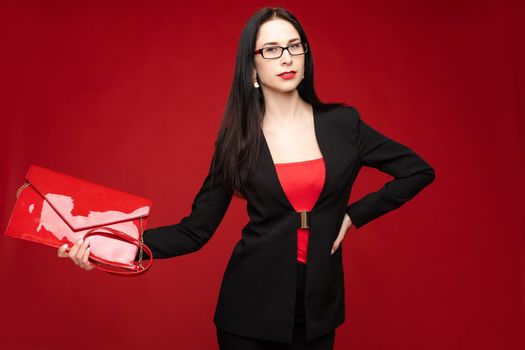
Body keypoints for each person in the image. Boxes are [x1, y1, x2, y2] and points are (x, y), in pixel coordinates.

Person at [57, 6, 436, 350]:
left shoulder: (344, 125)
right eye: (270, 49)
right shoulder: (237, 141)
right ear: (252, 68)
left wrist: (353, 216)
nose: (286, 57)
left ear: (305, 56)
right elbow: (194, 231)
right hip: (248, 317)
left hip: (319, 314)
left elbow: (417, 171)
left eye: (294, 46)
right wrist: (110, 247)